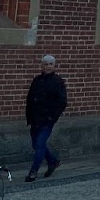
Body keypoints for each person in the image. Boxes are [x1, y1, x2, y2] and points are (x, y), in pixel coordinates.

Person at [25, 53, 66, 182]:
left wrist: (52, 117)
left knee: (40, 143)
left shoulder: (57, 82)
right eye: (46, 64)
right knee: (36, 145)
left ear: (54, 66)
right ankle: (53, 161)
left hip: (47, 119)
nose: (48, 67)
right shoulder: (37, 80)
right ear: (42, 66)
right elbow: (30, 98)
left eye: (50, 64)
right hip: (35, 118)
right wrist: (29, 116)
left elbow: (62, 102)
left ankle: (33, 171)